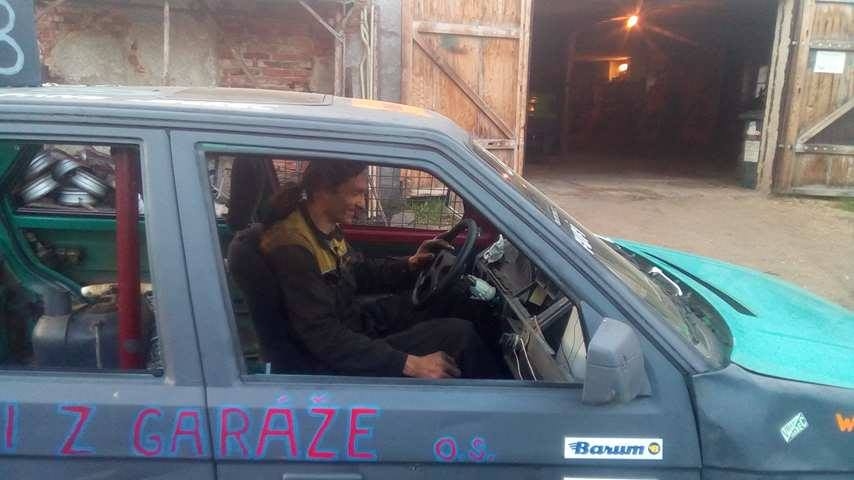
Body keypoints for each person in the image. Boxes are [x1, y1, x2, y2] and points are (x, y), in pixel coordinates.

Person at [258, 159, 497, 379]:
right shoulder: (292, 247)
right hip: (332, 358)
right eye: (356, 193)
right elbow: (323, 336)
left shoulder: (323, 226)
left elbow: (357, 272)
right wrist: (409, 363)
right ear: (323, 189)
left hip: (355, 323)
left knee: (453, 298)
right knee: (459, 334)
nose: (362, 204)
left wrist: (410, 264)